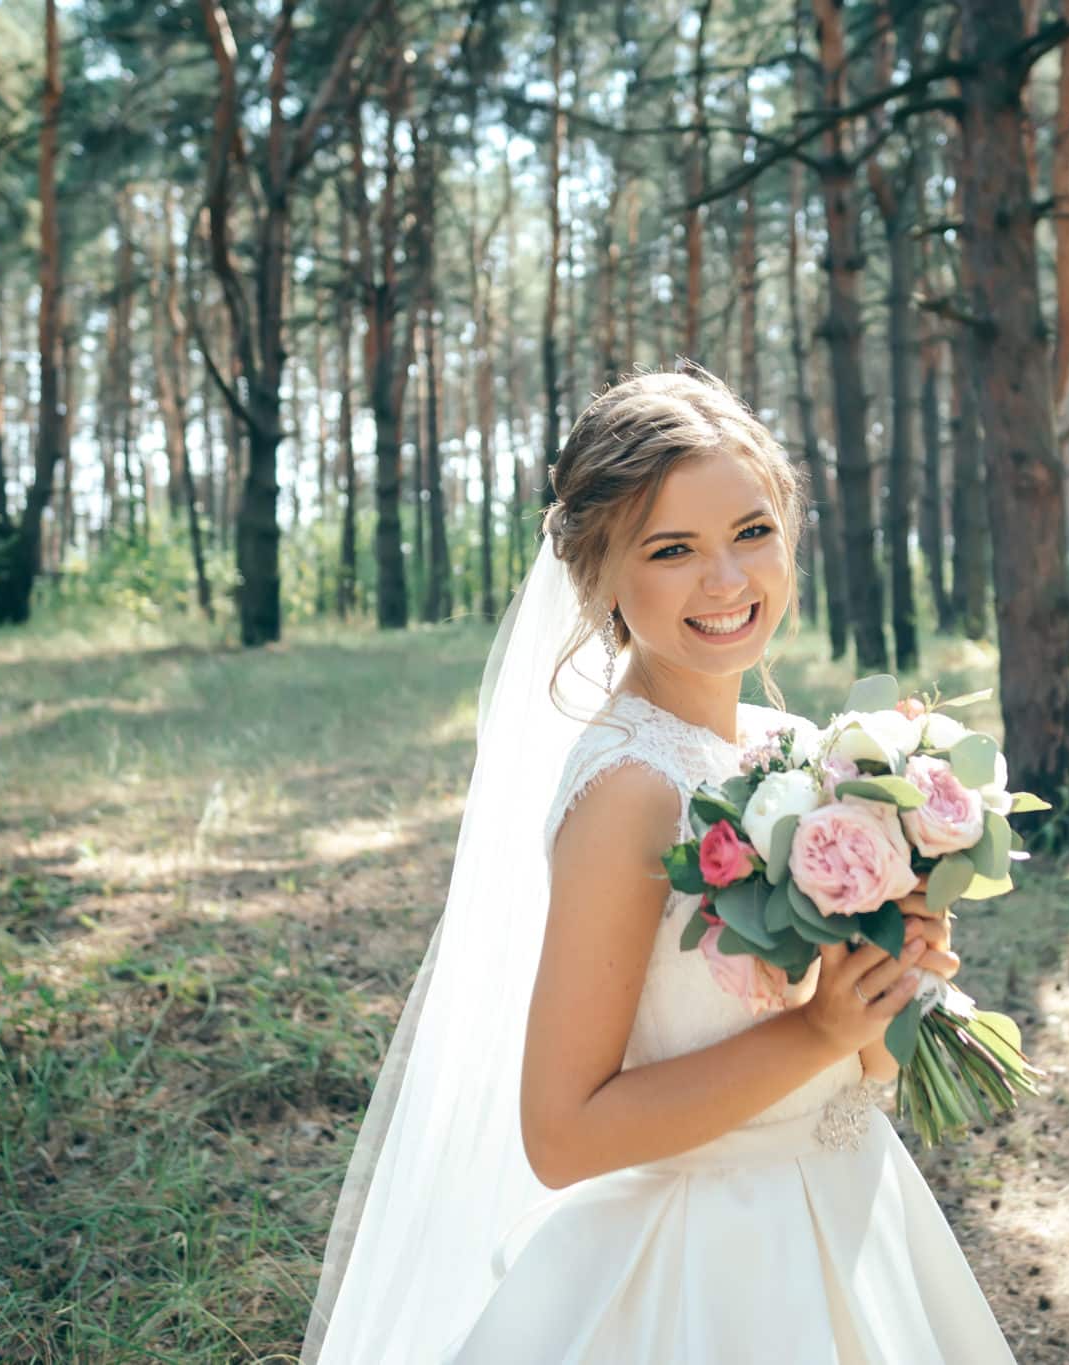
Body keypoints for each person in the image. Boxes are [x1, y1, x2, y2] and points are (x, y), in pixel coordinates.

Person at [302, 363, 1017, 1363]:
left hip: (848, 1210)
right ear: (599, 575)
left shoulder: (798, 750)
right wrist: (816, 1029)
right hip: (708, 1269)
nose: (725, 582)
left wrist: (886, 981)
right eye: (672, 549)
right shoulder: (629, 789)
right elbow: (561, 1136)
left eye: (752, 532)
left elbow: (865, 1079)